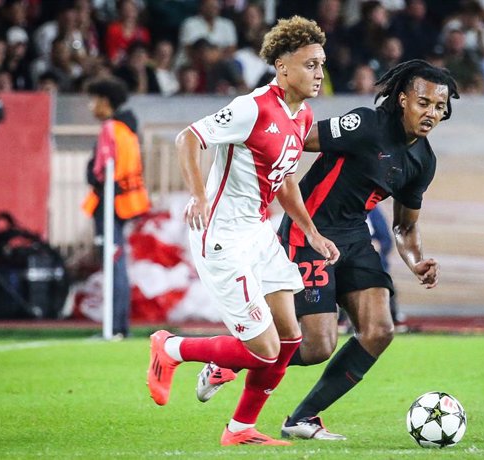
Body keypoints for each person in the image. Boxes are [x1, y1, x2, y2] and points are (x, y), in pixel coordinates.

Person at [201, 59, 459, 440]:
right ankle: (234, 359)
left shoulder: (423, 160)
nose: (431, 113)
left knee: (379, 330)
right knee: (318, 345)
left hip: (355, 237)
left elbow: (405, 225)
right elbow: (296, 138)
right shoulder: (366, 125)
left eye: (439, 107)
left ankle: (302, 418)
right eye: (423, 103)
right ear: (403, 99)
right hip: (310, 233)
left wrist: (416, 261)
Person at [146, 16, 340, 446]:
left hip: (259, 233)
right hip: (223, 237)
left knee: (291, 337)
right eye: (310, 64)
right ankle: (172, 348)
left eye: (321, 64)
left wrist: (309, 231)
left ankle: (239, 429)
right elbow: (188, 139)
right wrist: (197, 195)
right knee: (264, 350)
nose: (319, 73)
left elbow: (286, 179)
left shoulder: (303, 116)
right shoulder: (252, 107)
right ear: (282, 67)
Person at [81, 76, 150, 338]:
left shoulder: (111, 128)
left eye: (93, 100)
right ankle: (119, 326)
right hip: (124, 204)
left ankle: (115, 328)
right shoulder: (128, 128)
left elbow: (101, 172)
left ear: (105, 101)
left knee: (113, 265)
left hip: (111, 205)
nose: (91, 106)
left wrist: (91, 176)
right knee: (118, 264)